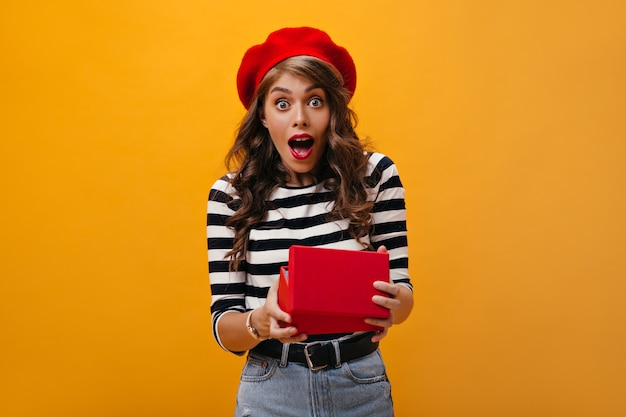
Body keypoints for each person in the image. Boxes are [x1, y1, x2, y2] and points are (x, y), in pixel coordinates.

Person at [207, 27, 413, 417]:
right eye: (282, 103)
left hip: (360, 386)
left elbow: (404, 295)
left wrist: (392, 304)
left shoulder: (375, 175)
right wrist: (260, 322)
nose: (299, 118)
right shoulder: (229, 195)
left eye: (315, 101)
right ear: (263, 116)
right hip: (270, 390)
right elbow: (224, 326)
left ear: (333, 110)